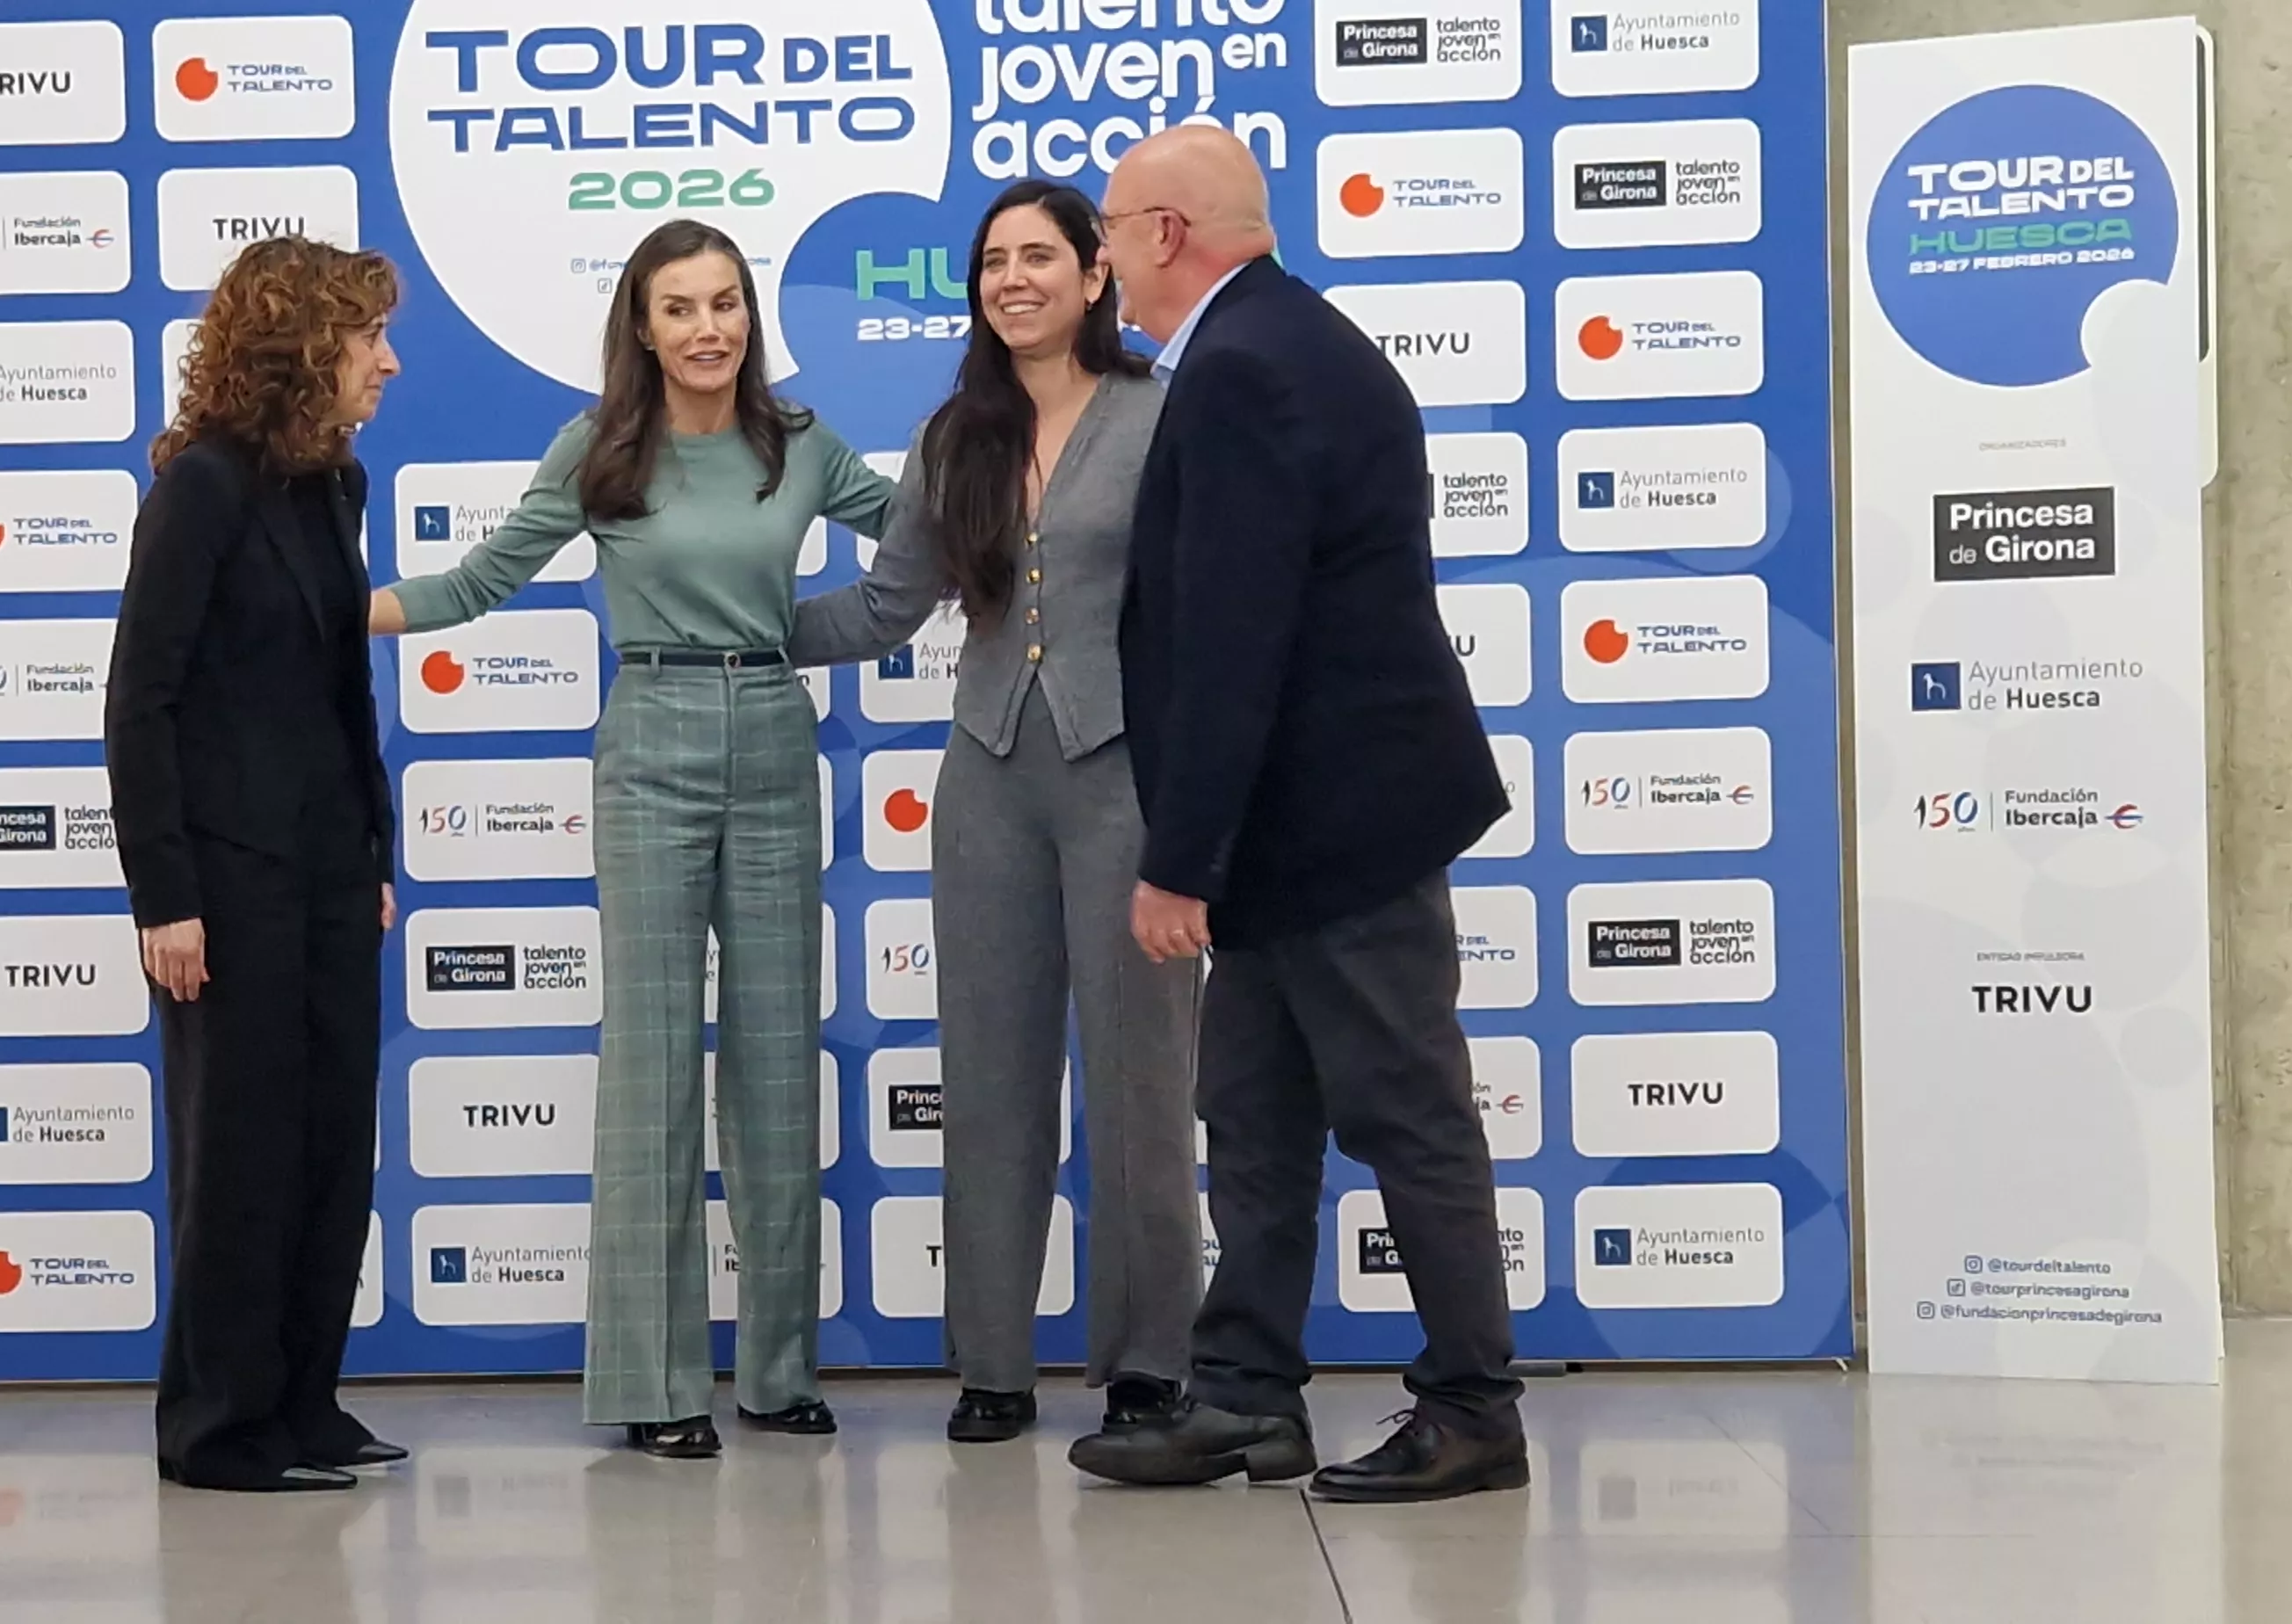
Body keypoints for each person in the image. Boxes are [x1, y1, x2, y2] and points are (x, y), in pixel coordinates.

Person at [371, 220, 896, 1459]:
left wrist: (793, 635)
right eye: (681, 308)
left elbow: (920, 540)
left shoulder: (803, 443)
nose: (709, 328)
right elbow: (478, 583)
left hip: (774, 738)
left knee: (775, 1059)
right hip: (648, 737)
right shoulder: (599, 447)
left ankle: (776, 1372)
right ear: (643, 327)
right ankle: (658, 1388)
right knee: (654, 1061)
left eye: (725, 303)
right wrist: (325, 611)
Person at [1063, 127, 1529, 1503]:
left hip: (1339, 824)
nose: (1101, 259)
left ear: (1162, 235)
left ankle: (1474, 1410)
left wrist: (1177, 860)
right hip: (1294, 824)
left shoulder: (1249, 366)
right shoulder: (1277, 342)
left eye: (1108, 229)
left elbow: (1232, 639)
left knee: (1407, 1108)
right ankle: (1248, 1396)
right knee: (1255, 1114)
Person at [785, 179, 1200, 1446]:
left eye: (1040, 256)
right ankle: (995, 1365)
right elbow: (881, 610)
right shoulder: (949, 434)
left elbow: (1208, 608)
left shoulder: (1162, 416)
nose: (1012, 278)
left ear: (1093, 276)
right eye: (992, 262)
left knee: (1141, 1081)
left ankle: (1147, 1363)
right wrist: (725, 629)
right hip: (984, 785)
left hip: (1128, 778)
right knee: (990, 1080)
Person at [105, 236, 407, 1494]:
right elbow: (141, 698)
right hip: (223, 882)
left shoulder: (334, 485)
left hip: (334, 870)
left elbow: (341, 686)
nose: (386, 363)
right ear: (302, 351)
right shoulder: (204, 487)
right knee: (241, 1152)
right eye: (367, 341)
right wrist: (163, 895)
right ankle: (219, 1427)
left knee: (335, 1141)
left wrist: (374, 851)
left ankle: (304, 1403)